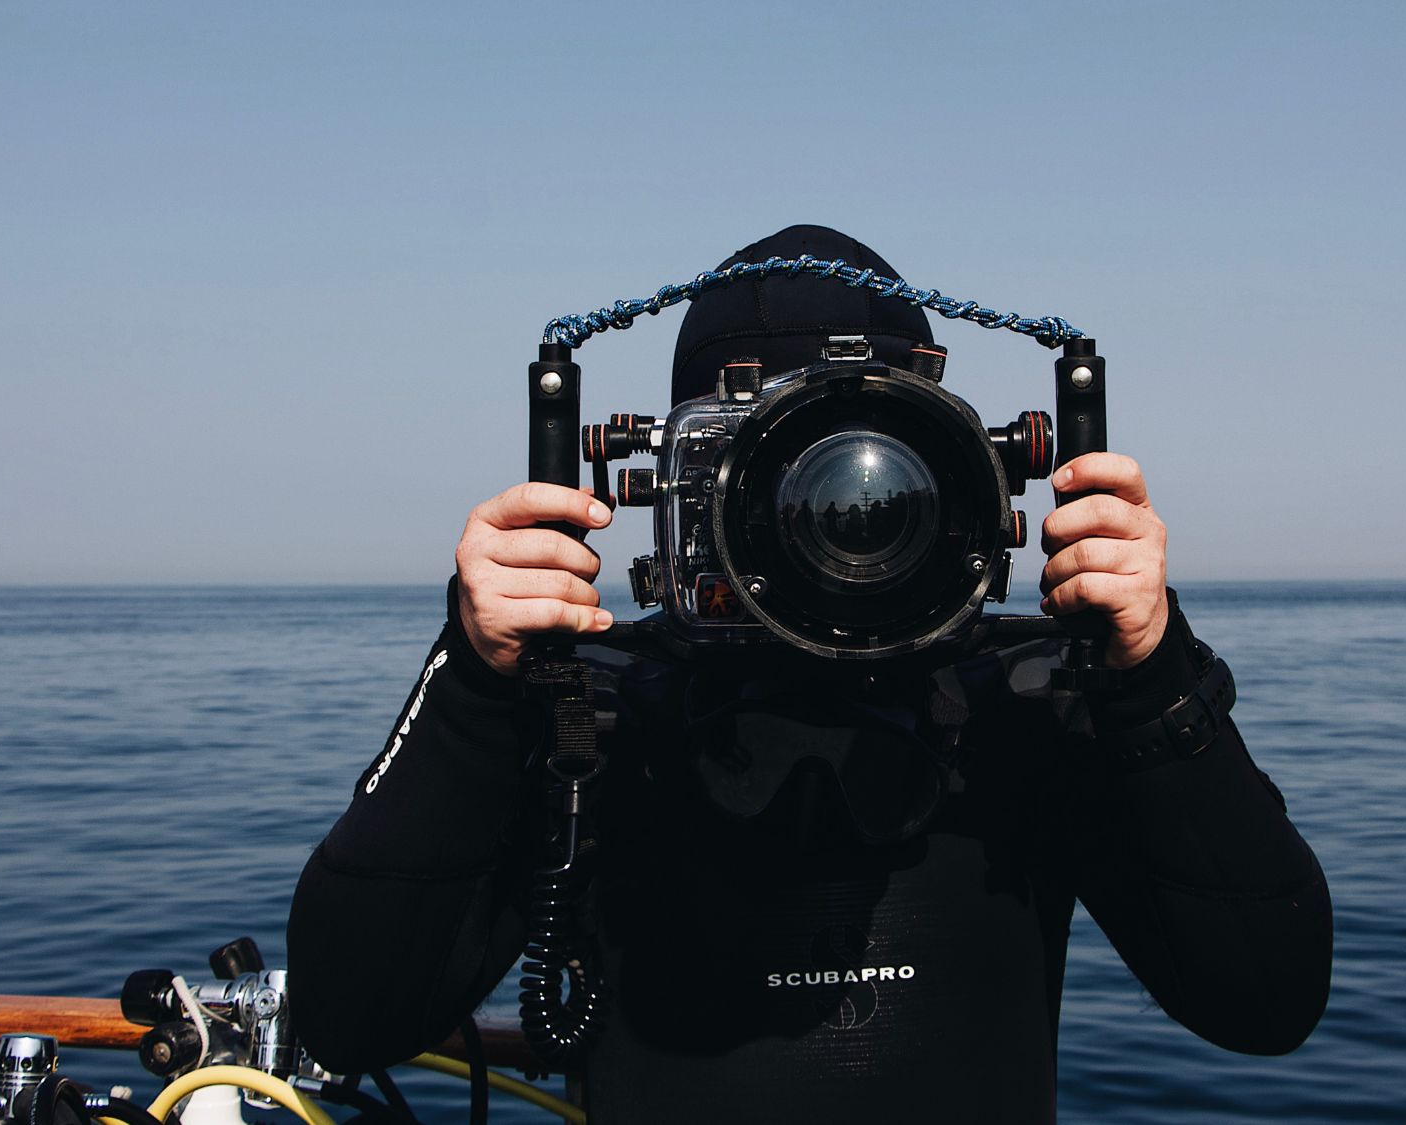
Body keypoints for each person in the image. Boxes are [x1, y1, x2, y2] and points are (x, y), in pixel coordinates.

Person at [287, 226, 1331, 1123]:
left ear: (967, 473)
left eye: (875, 468)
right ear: (682, 480)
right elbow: (347, 1015)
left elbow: (1265, 997)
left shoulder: (1036, 697)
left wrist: (1151, 672)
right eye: (771, 465)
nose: (835, 524)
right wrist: (474, 676)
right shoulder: (587, 713)